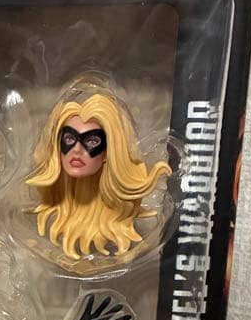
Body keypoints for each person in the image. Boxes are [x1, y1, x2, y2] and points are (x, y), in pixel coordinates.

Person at [26, 93, 171, 258]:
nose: (77, 150)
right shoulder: (47, 215)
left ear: (109, 152)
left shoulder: (121, 220)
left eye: (92, 141)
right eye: (69, 139)